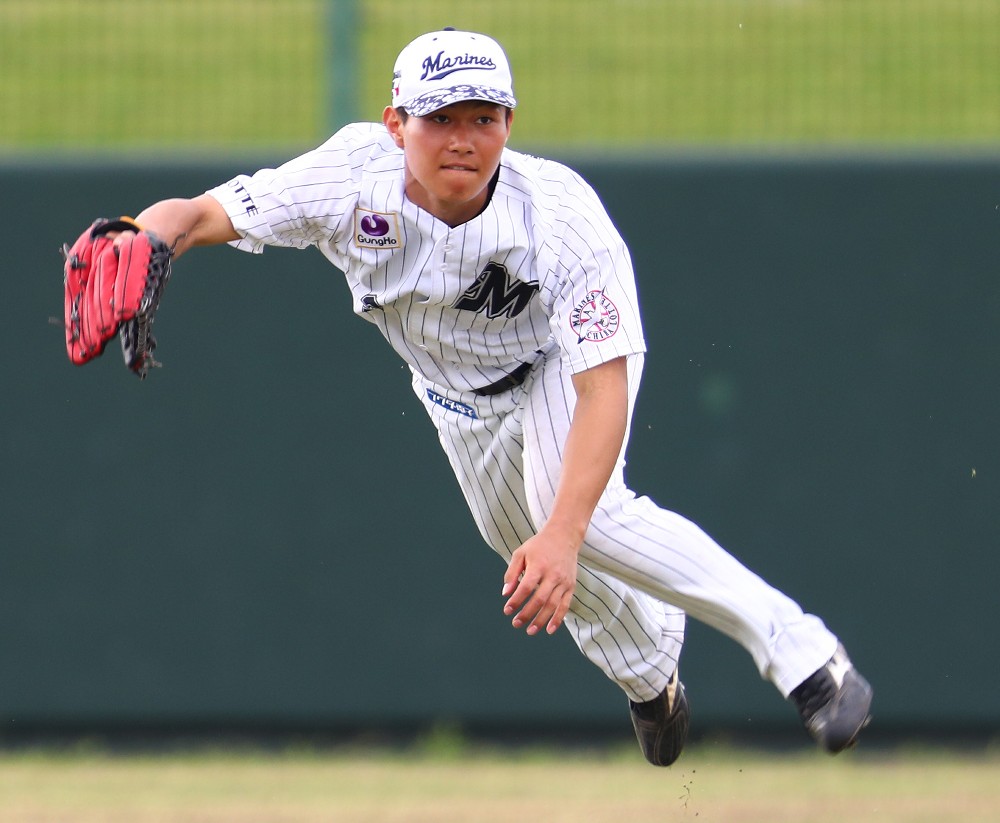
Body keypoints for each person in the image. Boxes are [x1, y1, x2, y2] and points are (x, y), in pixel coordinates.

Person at [108, 29, 872, 764]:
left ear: (510, 123)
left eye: (484, 117)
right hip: (454, 401)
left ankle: (805, 654)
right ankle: (650, 676)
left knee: (585, 520)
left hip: (557, 370)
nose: (464, 139)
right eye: (441, 118)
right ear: (396, 125)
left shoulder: (559, 216)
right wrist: (141, 237)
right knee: (534, 565)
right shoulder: (347, 179)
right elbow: (200, 214)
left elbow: (603, 385)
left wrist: (566, 530)